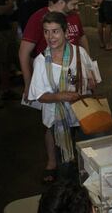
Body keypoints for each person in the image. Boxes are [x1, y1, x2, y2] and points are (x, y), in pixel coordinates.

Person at [28, 12, 95, 182]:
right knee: (65, 165)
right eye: (46, 31)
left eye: (55, 31)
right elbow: (39, 96)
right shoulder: (41, 61)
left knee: (89, 158)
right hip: (57, 118)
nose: (50, 37)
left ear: (66, 32)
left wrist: (90, 82)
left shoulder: (79, 53)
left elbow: (93, 80)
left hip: (82, 114)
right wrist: (61, 96)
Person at [19, 0, 90, 101]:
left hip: (74, 74)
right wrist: (28, 84)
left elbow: (82, 38)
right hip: (50, 77)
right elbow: (23, 53)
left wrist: (89, 67)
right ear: (61, 2)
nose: (76, 8)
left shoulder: (74, 16)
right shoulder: (38, 18)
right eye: (74, 4)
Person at [0, 0, 17, 108]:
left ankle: (6, 90)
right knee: (0, 62)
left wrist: (8, 6)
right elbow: (0, 9)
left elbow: (7, 10)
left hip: (5, 27)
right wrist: (10, 4)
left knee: (6, 61)